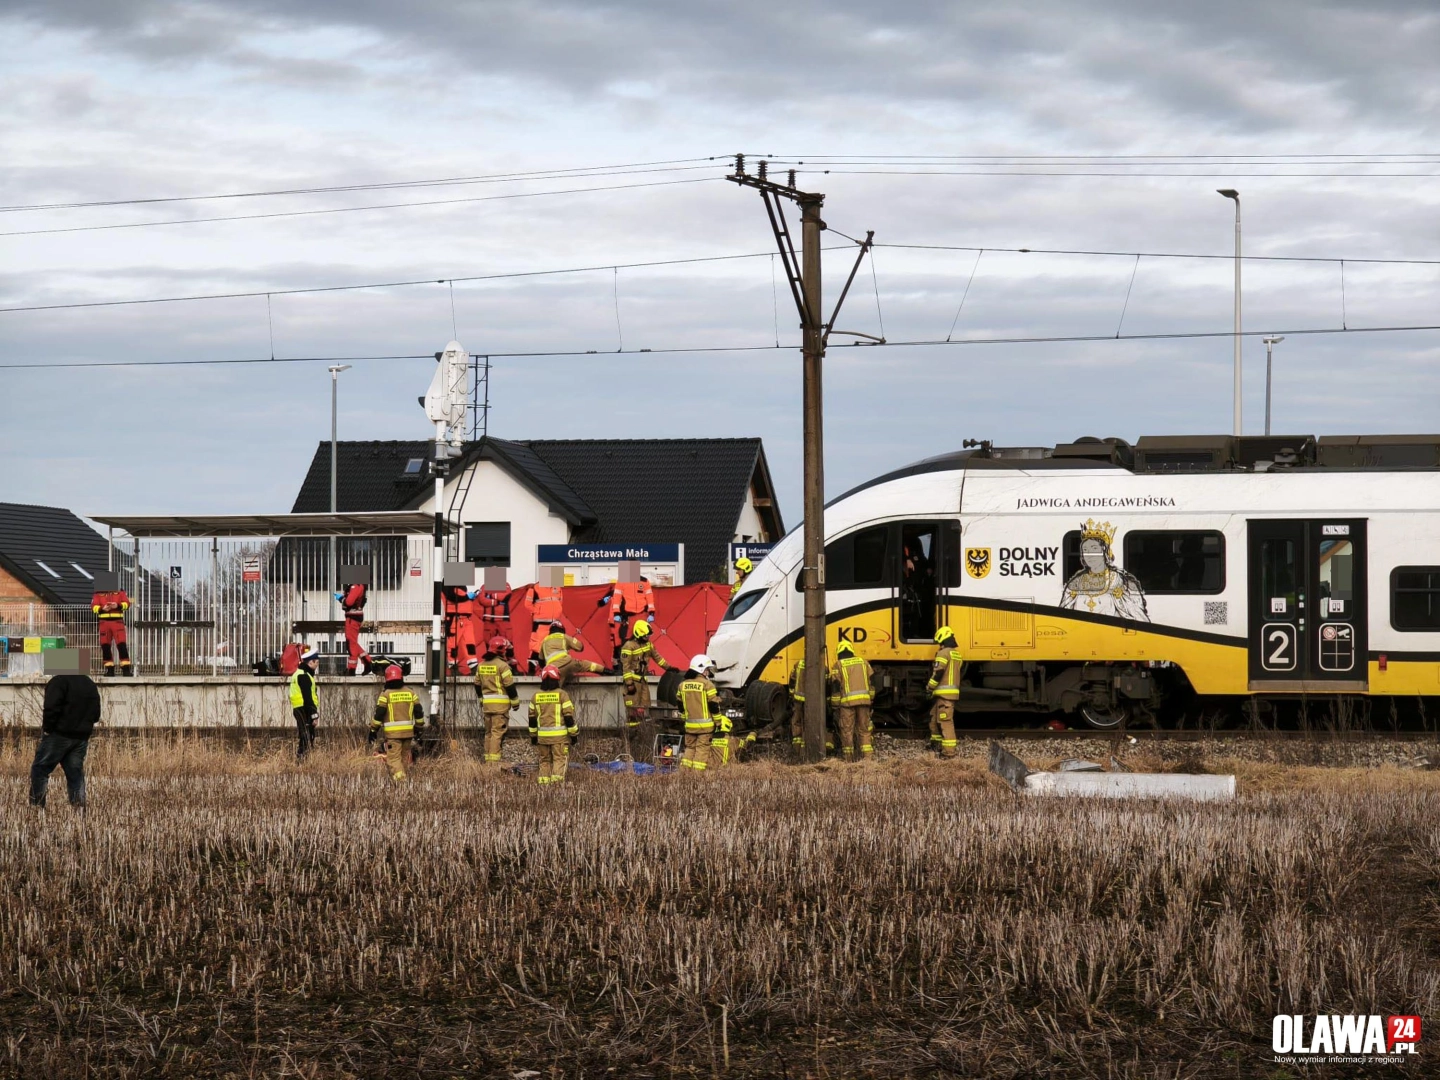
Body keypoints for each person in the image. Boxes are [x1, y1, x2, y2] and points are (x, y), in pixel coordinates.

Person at [30, 659, 101, 808]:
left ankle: (37, 807)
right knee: (75, 774)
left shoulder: (58, 681)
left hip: (59, 735)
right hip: (81, 737)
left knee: (40, 769)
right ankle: (79, 808)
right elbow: (96, 714)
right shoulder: (89, 684)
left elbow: (51, 708)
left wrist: (48, 729)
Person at [1059, 519, 1149, 621]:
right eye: (1085, 550)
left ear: (1105, 551)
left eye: (1094, 549)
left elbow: (1139, 619)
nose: (1089, 555)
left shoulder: (1121, 582)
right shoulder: (1075, 583)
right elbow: (1062, 616)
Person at [371, 664, 425, 782]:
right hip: (408, 734)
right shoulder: (411, 693)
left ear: (387, 678)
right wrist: (419, 728)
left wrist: (373, 730)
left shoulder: (385, 695)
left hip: (393, 735)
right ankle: (400, 784)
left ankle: (402, 784)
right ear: (401, 677)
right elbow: (419, 713)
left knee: (393, 760)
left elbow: (379, 714)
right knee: (403, 759)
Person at [528, 665, 577, 785]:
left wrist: (533, 737)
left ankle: (543, 786)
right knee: (559, 760)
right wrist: (574, 735)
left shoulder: (536, 696)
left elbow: (532, 720)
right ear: (557, 678)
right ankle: (556, 786)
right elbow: (568, 718)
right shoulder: (562, 695)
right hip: (559, 738)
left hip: (542, 738)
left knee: (544, 760)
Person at [473, 635, 519, 765]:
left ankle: (488, 760)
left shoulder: (481, 665)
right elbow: (509, 686)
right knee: (497, 733)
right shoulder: (503, 666)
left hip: (487, 706)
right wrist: (515, 702)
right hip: (500, 708)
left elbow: (476, 684)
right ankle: (493, 763)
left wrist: (481, 699)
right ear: (502, 651)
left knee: (488, 733)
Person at [618, 619, 671, 731]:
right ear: (639, 634)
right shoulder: (629, 646)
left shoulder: (648, 645)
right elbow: (625, 667)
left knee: (644, 709)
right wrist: (629, 684)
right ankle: (632, 735)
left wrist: (669, 668)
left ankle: (643, 733)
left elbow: (658, 658)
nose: (648, 638)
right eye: (646, 635)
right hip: (633, 683)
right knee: (632, 711)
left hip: (643, 682)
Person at [597, 576, 656, 664]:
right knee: (619, 643)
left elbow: (649, 597)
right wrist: (617, 614)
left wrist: (651, 612)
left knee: (636, 640)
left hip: (629, 617)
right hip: (621, 619)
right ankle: (619, 664)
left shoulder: (643, 582)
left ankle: (637, 663)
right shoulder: (616, 590)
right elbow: (601, 603)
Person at [678, 654, 721, 772]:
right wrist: (718, 722)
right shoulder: (708, 685)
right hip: (705, 727)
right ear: (702, 670)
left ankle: (684, 774)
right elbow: (713, 706)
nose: (708, 672)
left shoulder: (682, 685)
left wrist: (684, 718)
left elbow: (680, 705)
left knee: (689, 749)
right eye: (707, 670)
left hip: (689, 726)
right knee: (702, 752)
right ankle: (696, 778)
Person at [832, 641, 875, 759]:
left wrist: (835, 706)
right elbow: (872, 683)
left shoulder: (838, 665)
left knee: (847, 731)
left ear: (839, 652)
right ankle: (867, 759)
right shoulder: (864, 662)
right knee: (864, 730)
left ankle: (848, 759)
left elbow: (835, 687)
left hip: (847, 704)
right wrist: (870, 699)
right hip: (864, 702)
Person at [926, 626, 963, 759]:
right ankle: (936, 744)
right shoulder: (956, 654)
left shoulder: (943, 653)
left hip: (944, 694)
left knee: (945, 721)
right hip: (947, 694)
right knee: (934, 718)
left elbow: (938, 673)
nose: (939, 645)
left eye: (939, 642)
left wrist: (929, 687)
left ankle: (949, 752)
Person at [540, 619, 607, 685]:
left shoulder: (544, 641)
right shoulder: (564, 637)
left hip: (552, 669)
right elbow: (580, 647)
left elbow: (541, 661)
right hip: (568, 663)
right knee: (586, 665)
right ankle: (605, 671)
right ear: (562, 629)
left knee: (556, 687)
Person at [520, 579, 565, 671]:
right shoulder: (534, 588)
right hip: (540, 623)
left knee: (553, 646)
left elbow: (560, 602)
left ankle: (550, 668)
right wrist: (538, 612)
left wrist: (558, 612)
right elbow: (527, 604)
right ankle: (532, 669)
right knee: (537, 646)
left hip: (554, 624)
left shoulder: (557, 587)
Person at [91, 583, 133, 676]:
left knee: (121, 645)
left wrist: (117, 605)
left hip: (117, 622)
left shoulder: (120, 592)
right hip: (104, 623)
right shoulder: (97, 593)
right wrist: (102, 609)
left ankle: (126, 670)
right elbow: (93, 607)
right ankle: (109, 670)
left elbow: (127, 604)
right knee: (105, 646)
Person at [288, 645, 321, 760]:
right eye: (316, 662)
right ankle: (302, 760)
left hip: (299, 708)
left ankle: (302, 760)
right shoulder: (304, 676)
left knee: (304, 736)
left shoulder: (299, 673)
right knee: (307, 736)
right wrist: (314, 715)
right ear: (310, 662)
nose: (317, 665)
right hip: (304, 709)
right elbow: (308, 698)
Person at [334, 582, 371, 674]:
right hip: (354, 617)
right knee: (352, 642)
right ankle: (367, 661)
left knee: (351, 644)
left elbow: (349, 602)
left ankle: (351, 669)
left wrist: (341, 598)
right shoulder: (359, 586)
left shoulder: (356, 586)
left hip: (352, 618)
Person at [443, 583, 479, 674]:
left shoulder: (459, 583)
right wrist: (467, 597)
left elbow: (458, 597)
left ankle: (474, 667)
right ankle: (453, 667)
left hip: (466, 619)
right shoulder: (447, 582)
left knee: (470, 644)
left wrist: (468, 597)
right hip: (455, 619)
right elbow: (451, 596)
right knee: (452, 645)